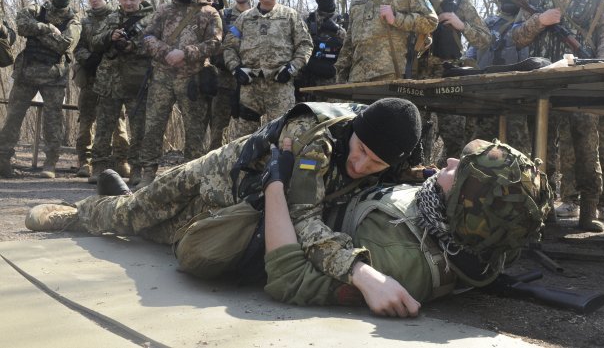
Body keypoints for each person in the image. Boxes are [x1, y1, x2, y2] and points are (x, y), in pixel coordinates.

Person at [26, 132, 551, 316]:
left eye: (458, 174)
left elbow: (288, 276)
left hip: (261, 226)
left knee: (154, 223)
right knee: (169, 191)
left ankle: (82, 217)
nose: (447, 168)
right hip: (302, 200)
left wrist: (277, 183)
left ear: (467, 208)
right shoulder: (464, 230)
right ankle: (128, 203)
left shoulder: (405, 266)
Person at [25, 98, 423, 289]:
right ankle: (78, 212)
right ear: (354, 132)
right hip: (213, 175)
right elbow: (304, 220)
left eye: (376, 164)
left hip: (240, 211)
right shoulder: (312, 137)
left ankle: (116, 195)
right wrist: (360, 273)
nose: (361, 166)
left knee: (164, 238)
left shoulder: (394, 159)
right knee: (136, 215)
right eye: (361, 151)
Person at [511, 0, 604, 232]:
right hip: (544, 80)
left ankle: (589, 210)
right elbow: (518, 37)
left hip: (582, 78)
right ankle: (543, 211)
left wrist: (602, 64)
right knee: (541, 147)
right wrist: (540, 21)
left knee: (586, 145)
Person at [137, 0, 223, 188]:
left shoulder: (209, 12)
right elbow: (147, 37)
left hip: (192, 78)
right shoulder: (164, 10)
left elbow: (215, 43)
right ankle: (147, 173)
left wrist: (186, 52)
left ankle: (192, 177)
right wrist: (166, 52)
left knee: (195, 129)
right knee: (153, 126)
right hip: (162, 77)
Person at [0, 0, 81, 178]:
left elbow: (65, 44)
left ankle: (50, 163)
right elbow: (21, 25)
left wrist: (35, 32)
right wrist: (46, 28)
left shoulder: (74, 20)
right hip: (26, 73)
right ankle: (2, 159)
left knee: (52, 121)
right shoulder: (38, 9)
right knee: (13, 118)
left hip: (54, 76)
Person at [420, 0, 492, 165]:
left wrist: (461, 25)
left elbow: (484, 39)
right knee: (416, 136)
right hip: (415, 76)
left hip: (449, 76)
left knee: (456, 140)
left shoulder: (460, 1)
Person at [223, 0, 313, 141]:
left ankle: (278, 167)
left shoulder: (290, 16)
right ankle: (246, 168)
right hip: (250, 88)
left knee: (283, 135)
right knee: (243, 139)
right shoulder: (244, 18)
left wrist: (292, 68)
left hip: (280, 86)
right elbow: (228, 47)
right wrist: (236, 69)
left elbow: (305, 45)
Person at [88, 0, 155, 186]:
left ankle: (136, 169)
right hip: (109, 82)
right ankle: (99, 167)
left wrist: (132, 45)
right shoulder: (111, 18)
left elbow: (155, 45)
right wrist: (111, 36)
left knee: (139, 129)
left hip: (136, 82)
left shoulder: (151, 19)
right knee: (104, 127)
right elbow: (94, 41)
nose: (128, 3)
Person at [465, 0, 532, 156]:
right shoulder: (489, 23)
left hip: (517, 94)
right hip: (486, 93)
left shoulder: (530, 23)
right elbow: (472, 52)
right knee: (478, 147)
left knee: (518, 147)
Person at [73, 0, 130, 179]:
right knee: (86, 121)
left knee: (117, 122)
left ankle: (121, 160)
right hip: (90, 77)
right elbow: (77, 47)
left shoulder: (117, 17)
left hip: (114, 77)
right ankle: (85, 161)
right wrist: (87, 59)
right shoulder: (84, 22)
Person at [205, 0, 254, 150]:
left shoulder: (262, 16)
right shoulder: (222, 16)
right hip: (225, 83)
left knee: (251, 133)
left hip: (253, 84)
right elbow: (214, 47)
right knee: (218, 132)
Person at [295, 0, 347, 102]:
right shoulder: (307, 21)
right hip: (312, 85)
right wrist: (309, 64)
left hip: (338, 84)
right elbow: (298, 48)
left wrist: (337, 31)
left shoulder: (345, 20)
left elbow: (353, 45)